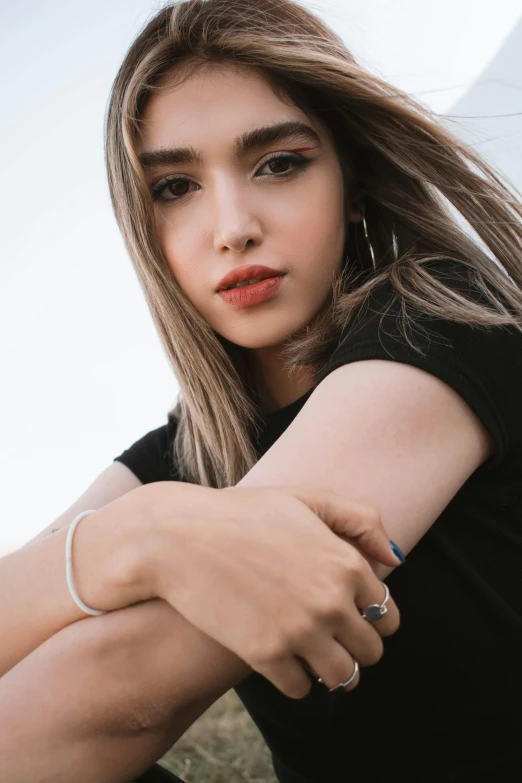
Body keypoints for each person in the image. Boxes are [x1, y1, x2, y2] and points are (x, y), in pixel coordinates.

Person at [1, 0, 522, 781]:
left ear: (352, 182)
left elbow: (107, 699)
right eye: (176, 186)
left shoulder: (444, 322)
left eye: (279, 163)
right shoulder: (187, 455)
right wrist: (129, 538)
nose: (233, 226)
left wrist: (147, 539)